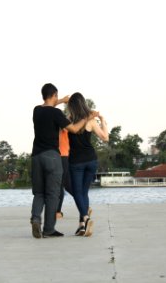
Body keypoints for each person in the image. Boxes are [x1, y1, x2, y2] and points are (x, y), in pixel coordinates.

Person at [30, 83, 95, 239]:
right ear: (54, 95)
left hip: (36, 157)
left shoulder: (36, 110)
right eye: (57, 97)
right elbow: (73, 129)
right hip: (52, 157)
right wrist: (87, 117)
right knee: (53, 194)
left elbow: (47, 105)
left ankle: (35, 218)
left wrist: (61, 100)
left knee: (39, 192)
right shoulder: (57, 114)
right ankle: (48, 229)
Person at [67, 92, 109, 237]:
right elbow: (105, 138)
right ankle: (82, 226)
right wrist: (103, 121)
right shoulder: (91, 121)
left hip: (76, 162)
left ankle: (85, 217)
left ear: (71, 106)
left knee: (78, 193)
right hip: (91, 160)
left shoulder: (69, 121)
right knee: (83, 193)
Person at [56, 128, 73, 219]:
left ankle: (58, 212)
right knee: (66, 185)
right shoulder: (65, 127)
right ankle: (84, 205)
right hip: (63, 157)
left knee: (63, 185)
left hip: (62, 156)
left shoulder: (65, 127)